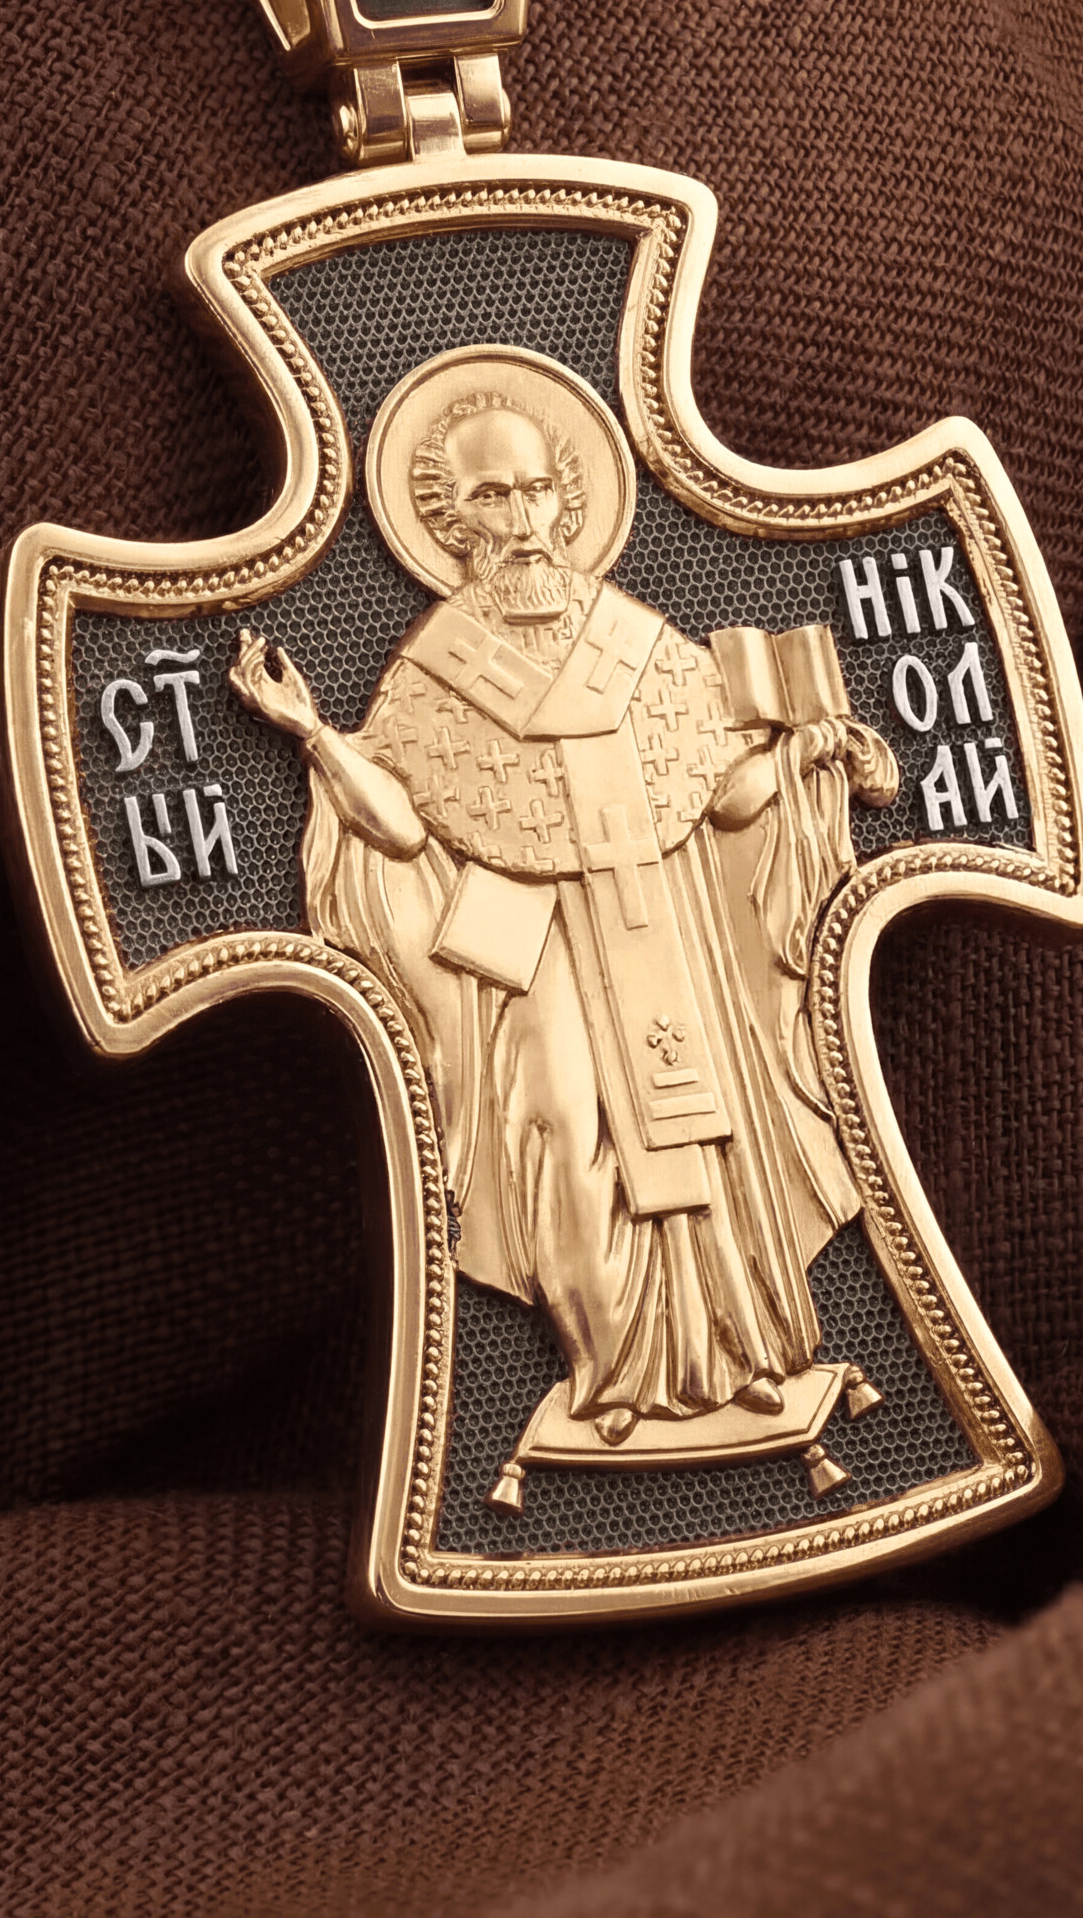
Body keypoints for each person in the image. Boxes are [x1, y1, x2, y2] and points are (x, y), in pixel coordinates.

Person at [230, 385, 898, 1447]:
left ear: (568, 498)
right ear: (450, 519)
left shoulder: (636, 641)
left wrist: (804, 752)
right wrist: (311, 732)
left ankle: (741, 1355)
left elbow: (718, 795)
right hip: (527, 941)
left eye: (538, 489)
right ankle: (609, 1375)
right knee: (560, 1135)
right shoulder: (436, 663)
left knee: (705, 1128)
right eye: (491, 496)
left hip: (661, 918)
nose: (522, 518)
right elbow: (397, 829)